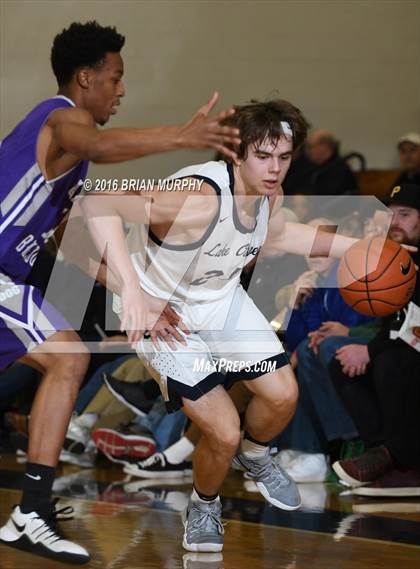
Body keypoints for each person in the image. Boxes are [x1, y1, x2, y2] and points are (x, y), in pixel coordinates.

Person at [0, 20, 240, 564]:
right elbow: (100, 145)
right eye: (116, 77)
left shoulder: (69, 162)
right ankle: (31, 512)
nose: (122, 90)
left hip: (9, 279)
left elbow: (67, 246)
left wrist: (141, 296)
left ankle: (31, 512)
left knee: (65, 358)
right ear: (86, 78)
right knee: (68, 358)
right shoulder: (61, 118)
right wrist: (182, 135)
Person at [82, 98, 366, 553]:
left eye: (283, 157)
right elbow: (97, 201)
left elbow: (286, 236)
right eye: (263, 156)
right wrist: (134, 290)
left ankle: (255, 457)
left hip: (219, 300)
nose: (274, 168)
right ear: (236, 154)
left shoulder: (266, 197)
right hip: (165, 314)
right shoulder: (197, 198)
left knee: (283, 393)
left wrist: (366, 249)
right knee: (224, 428)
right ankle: (205, 504)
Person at [330, 184, 420, 495]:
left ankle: (404, 463)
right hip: (402, 349)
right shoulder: (391, 260)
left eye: (405, 214)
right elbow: (395, 324)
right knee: (340, 364)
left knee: (391, 362)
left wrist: (370, 349)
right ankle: (380, 452)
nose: (395, 222)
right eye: (390, 214)